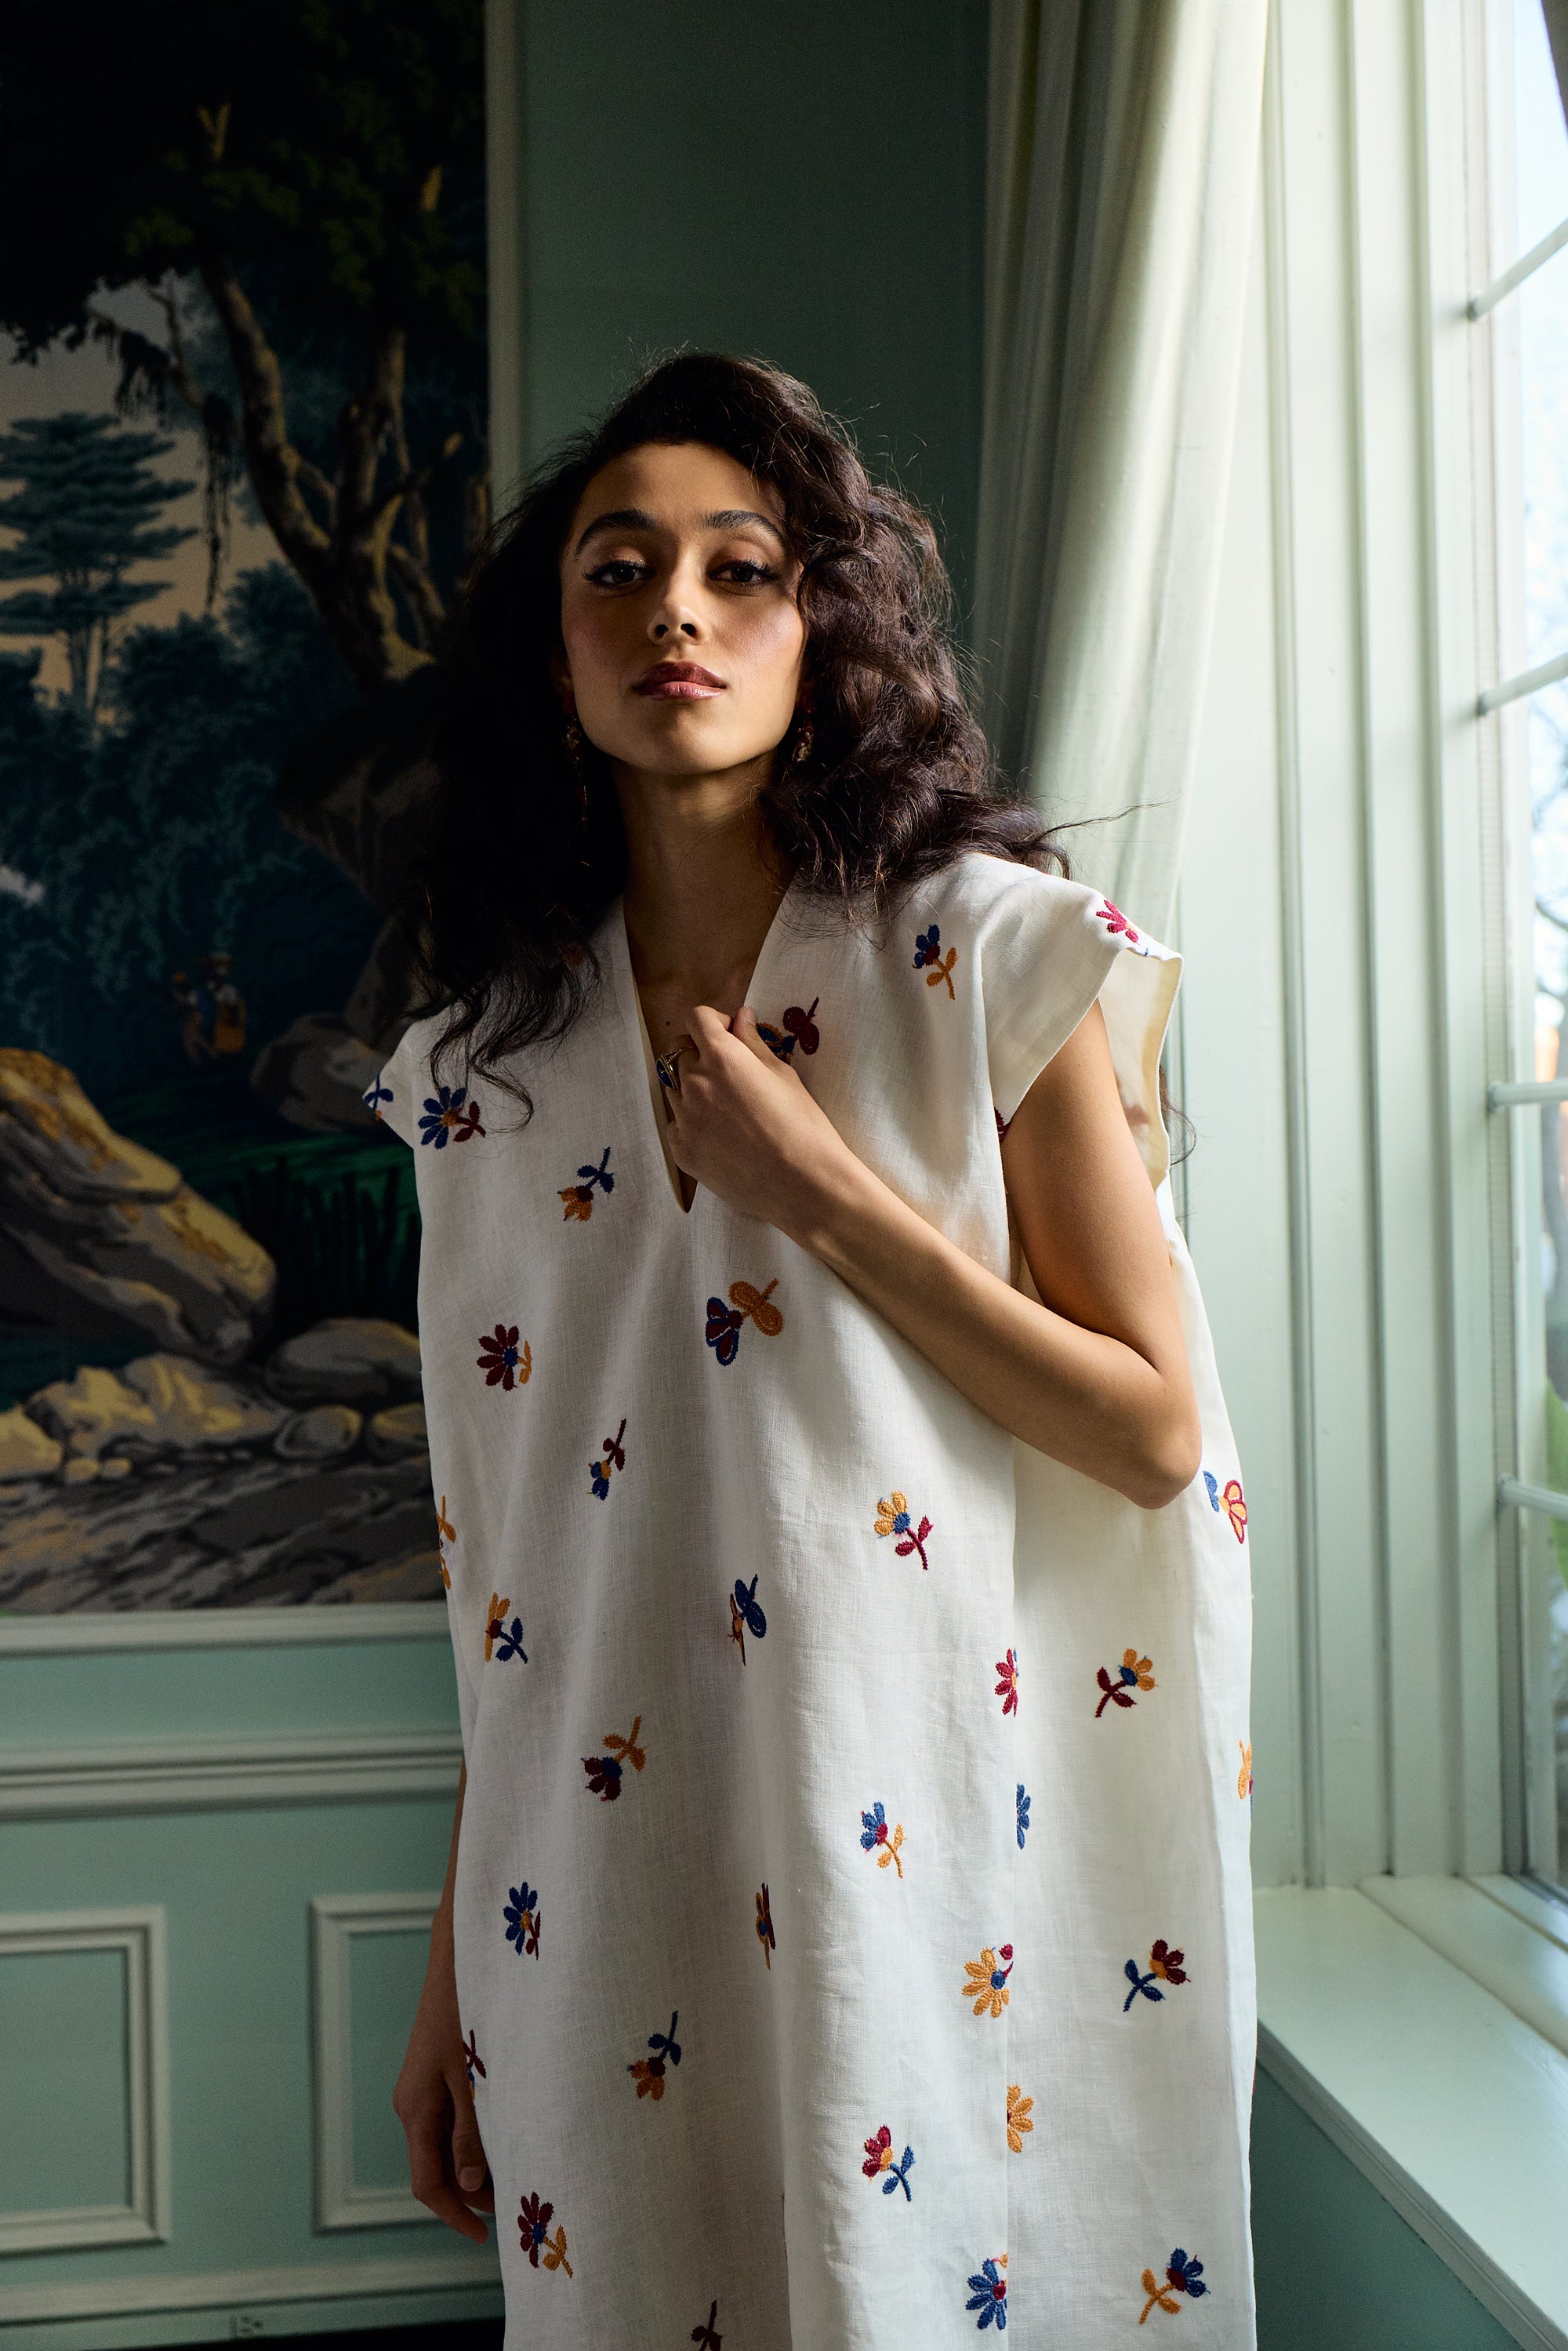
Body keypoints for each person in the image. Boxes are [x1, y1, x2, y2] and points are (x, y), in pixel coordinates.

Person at [383, 352, 1254, 2347]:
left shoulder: (989, 958)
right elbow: (515, 1580)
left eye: (739, 565)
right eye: (616, 570)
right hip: (602, 1883)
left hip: (936, 1866)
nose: (673, 608)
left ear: (821, 630)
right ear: (553, 655)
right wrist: (454, 1965)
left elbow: (1144, 1428)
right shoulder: (482, 1082)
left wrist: (824, 1186)